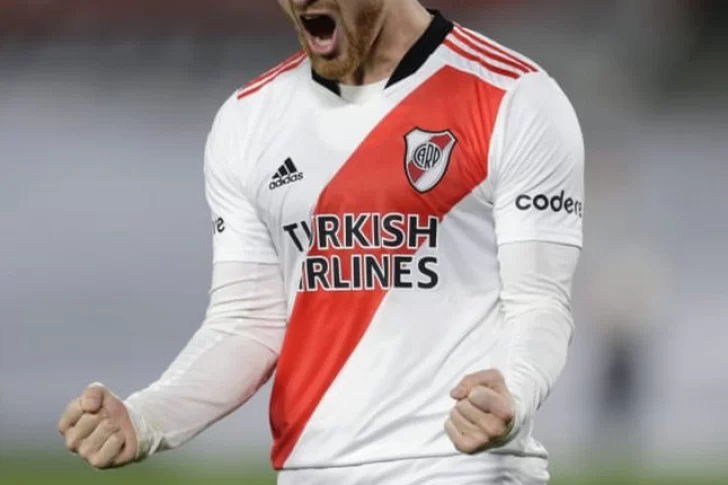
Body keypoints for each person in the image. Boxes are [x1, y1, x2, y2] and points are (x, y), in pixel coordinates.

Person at [57, 1, 585, 483]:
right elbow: (247, 323)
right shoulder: (248, 119)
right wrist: (146, 418)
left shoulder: (514, 98)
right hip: (310, 470)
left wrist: (513, 396)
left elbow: (539, 304)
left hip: (457, 467)